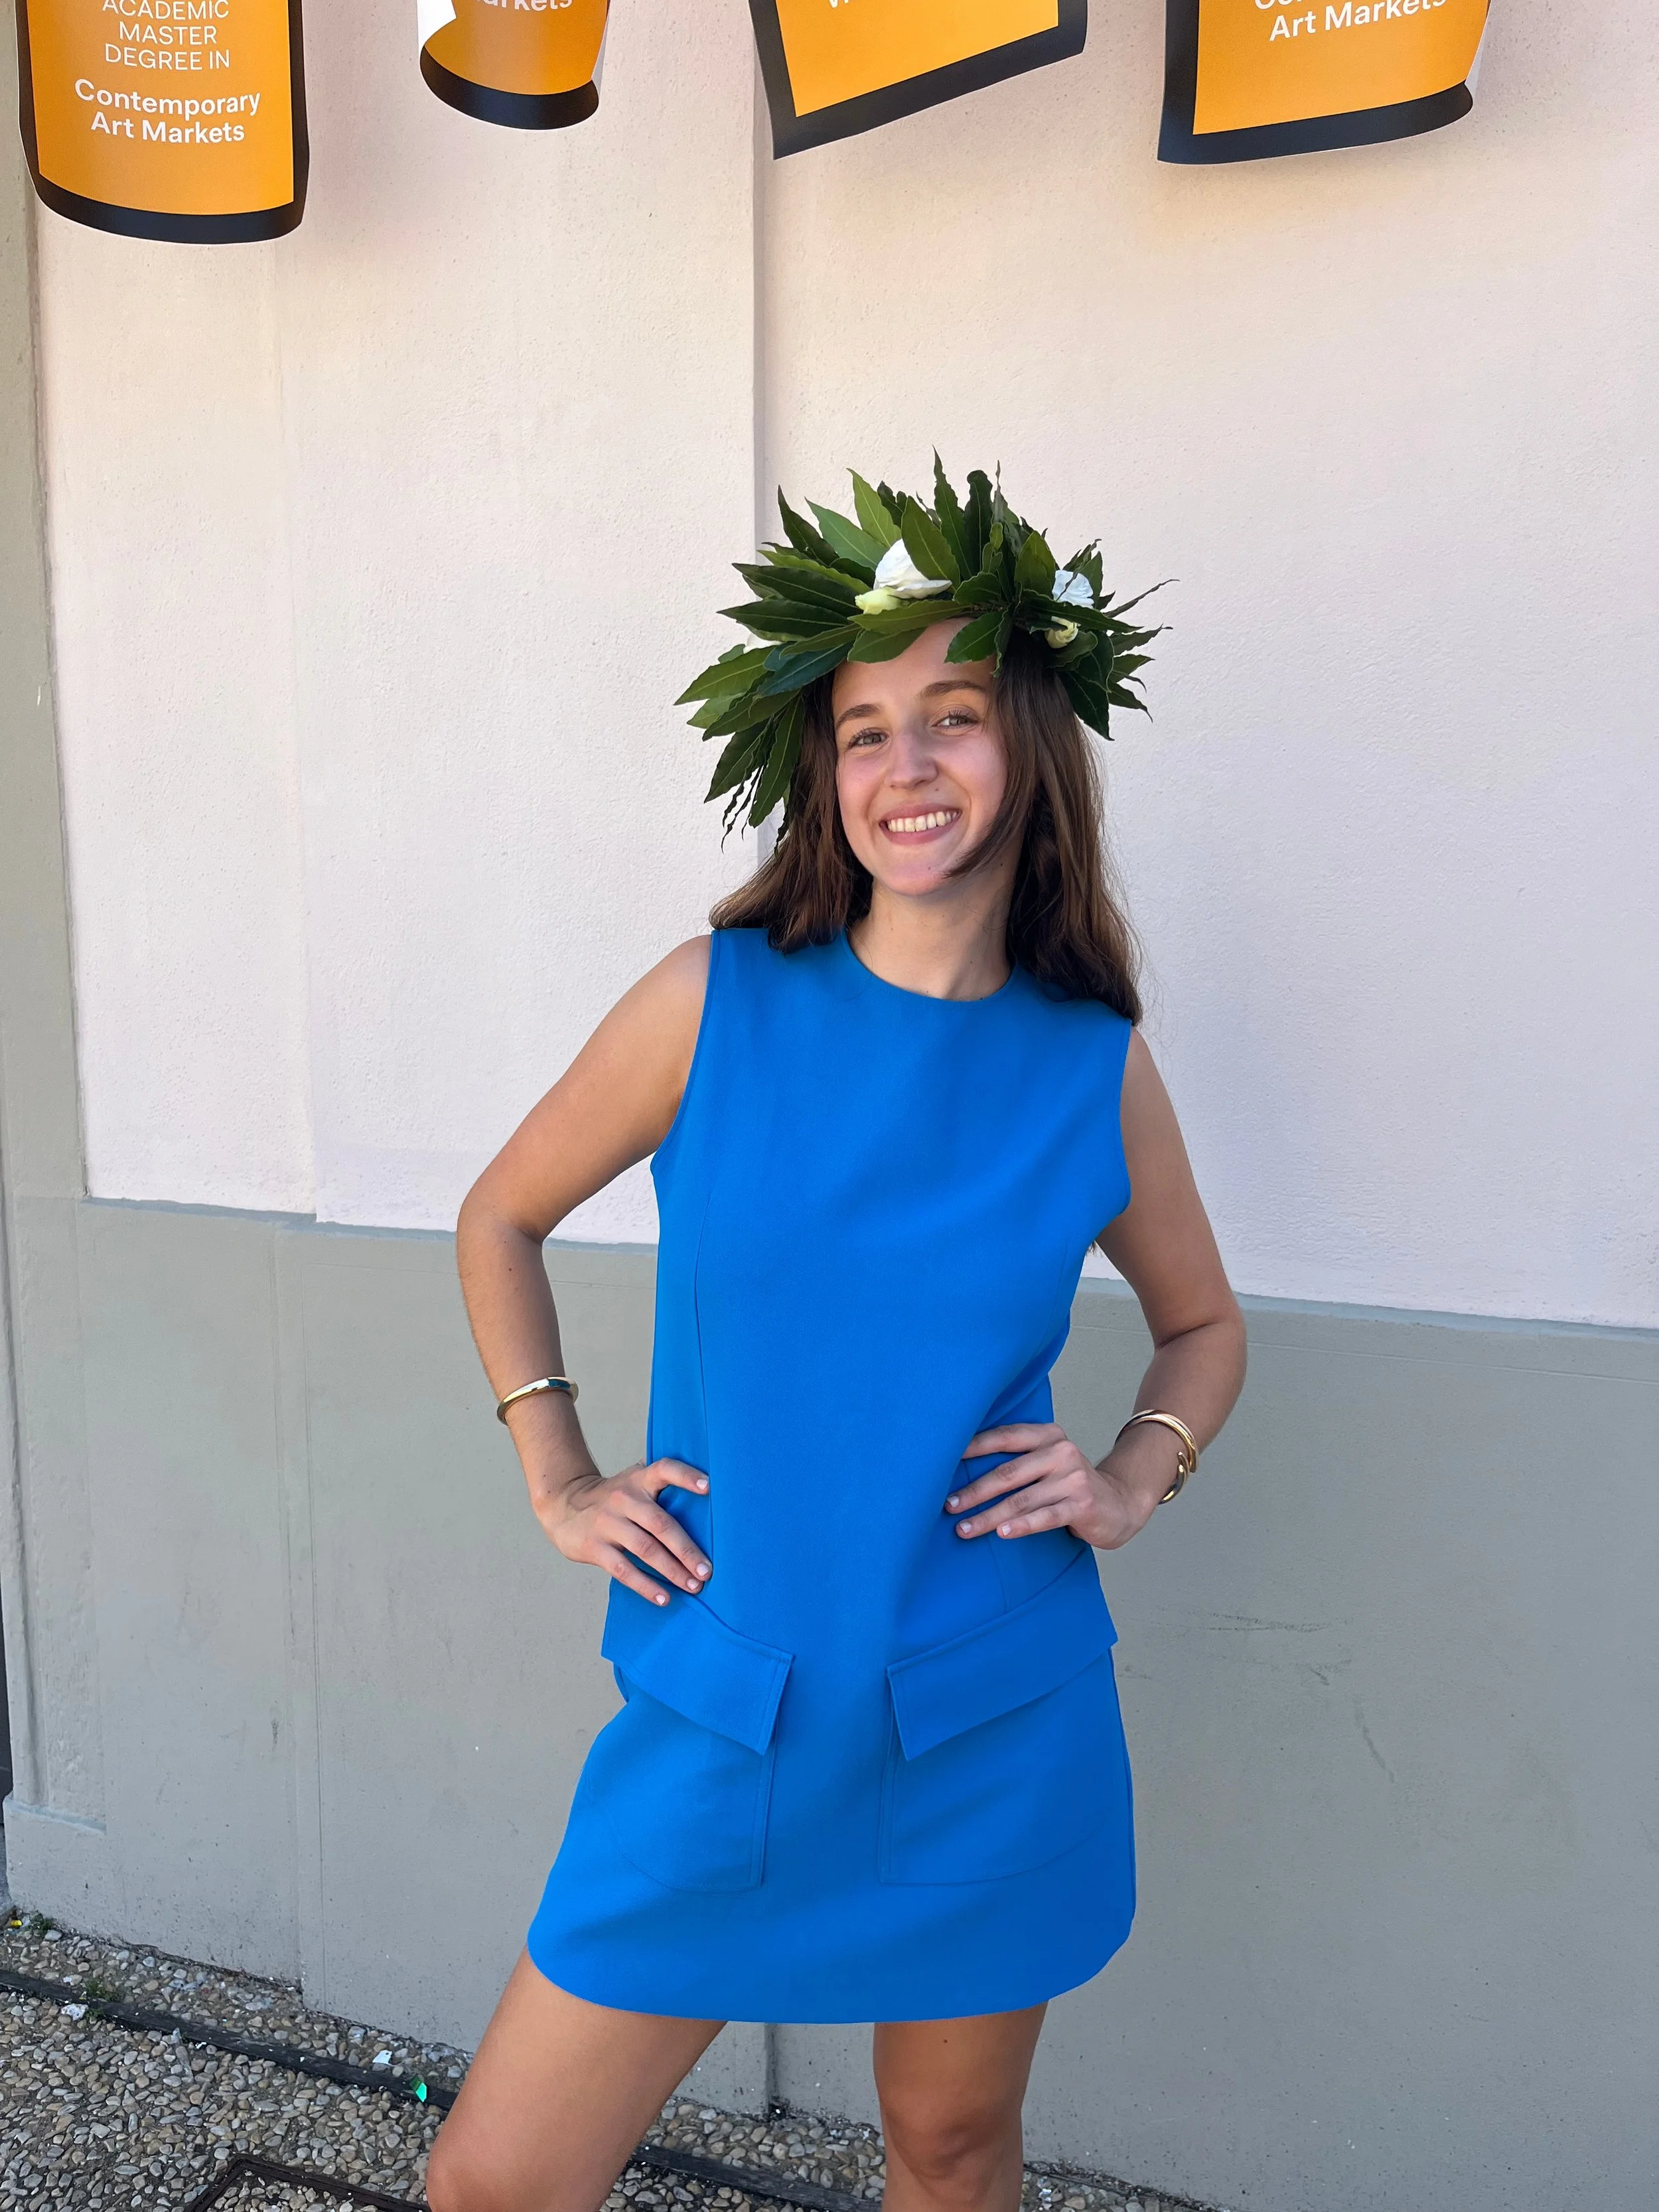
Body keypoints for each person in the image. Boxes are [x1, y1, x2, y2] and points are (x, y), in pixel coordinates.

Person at [429, 468, 1246, 2212]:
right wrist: (556, 1464)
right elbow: (495, 1214)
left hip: (980, 1708)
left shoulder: (1087, 1061)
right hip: (725, 1699)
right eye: (864, 730)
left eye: (949, 717)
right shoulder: (711, 1001)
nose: (906, 768)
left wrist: (1126, 1471)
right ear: (824, 773)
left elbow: (1200, 1326)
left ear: (1027, 747)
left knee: (947, 2148)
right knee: (498, 2182)